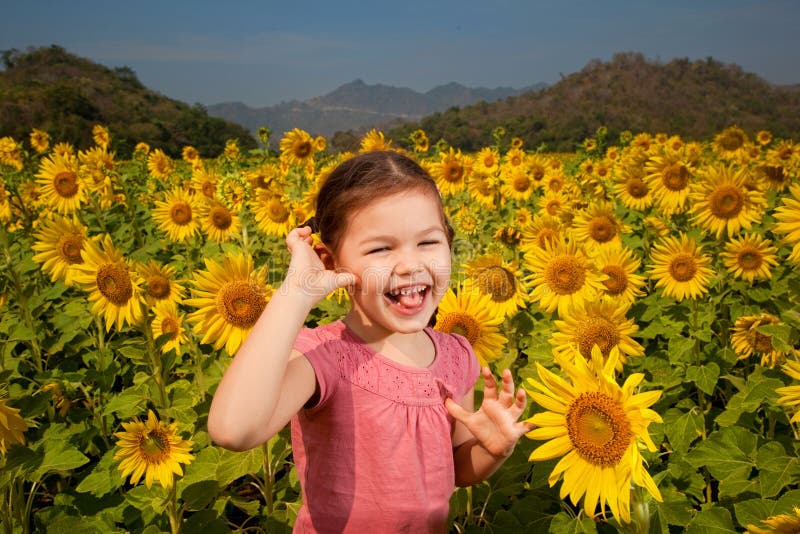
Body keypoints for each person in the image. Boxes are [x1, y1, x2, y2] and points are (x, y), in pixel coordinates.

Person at [208, 150, 532, 533]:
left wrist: (491, 450)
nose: (410, 264)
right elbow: (233, 429)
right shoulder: (323, 358)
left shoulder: (457, 356)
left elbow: (458, 467)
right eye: (381, 248)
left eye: (428, 242)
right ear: (329, 262)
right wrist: (297, 291)